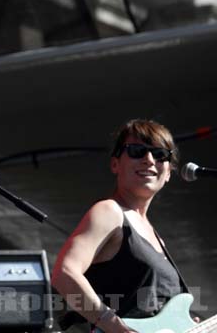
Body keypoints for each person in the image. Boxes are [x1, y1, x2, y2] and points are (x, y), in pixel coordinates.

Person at [51, 119, 191, 333]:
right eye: (137, 151)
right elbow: (64, 273)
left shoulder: (156, 238)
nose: (149, 160)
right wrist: (113, 325)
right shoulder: (110, 211)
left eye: (160, 154)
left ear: (169, 172)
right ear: (115, 164)